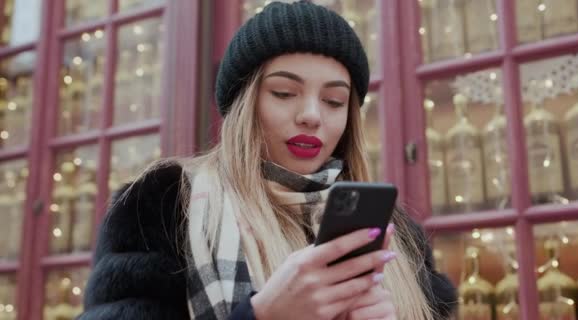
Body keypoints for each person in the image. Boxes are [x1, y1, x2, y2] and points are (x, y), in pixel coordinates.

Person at [79, 1, 456, 319]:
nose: (311, 115)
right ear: (245, 105)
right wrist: (262, 314)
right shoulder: (161, 206)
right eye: (284, 92)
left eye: (334, 101)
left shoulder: (395, 236)